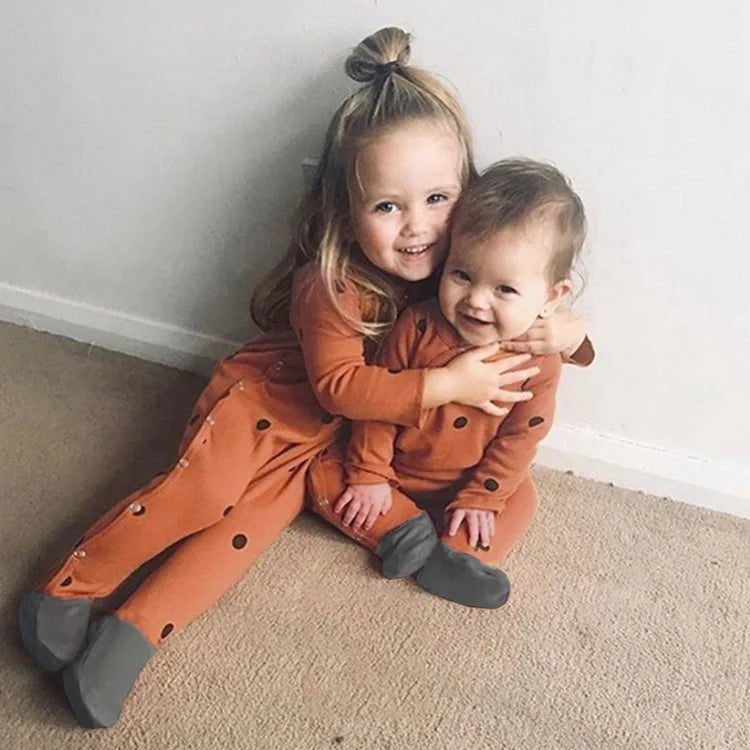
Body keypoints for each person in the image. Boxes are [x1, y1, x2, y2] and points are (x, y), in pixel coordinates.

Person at [17, 28, 591, 728]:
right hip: (275, 404)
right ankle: (67, 589)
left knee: (242, 535)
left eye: (439, 198)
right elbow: (341, 389)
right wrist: (445, 388)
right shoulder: (331, 280)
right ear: (347, 209)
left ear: (466, 193)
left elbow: (525, 301)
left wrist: (571, 333)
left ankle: (129, 639)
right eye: (388, 207)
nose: (418, 228)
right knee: (206, 496)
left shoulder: (460, 270)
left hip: (330, 442)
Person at [308, 158, 589, 609]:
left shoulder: (540, 362)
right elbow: (379, 408)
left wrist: (481, 498)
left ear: (552, 297)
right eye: (462, 275)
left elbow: (521, 438)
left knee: (520, 497)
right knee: (323, 474)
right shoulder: (417, 327)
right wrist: (369, 475)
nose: (476, 301)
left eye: (505, 290)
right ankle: (402, 533)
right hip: (395, 472)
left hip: (466, 482)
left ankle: (455, 557)